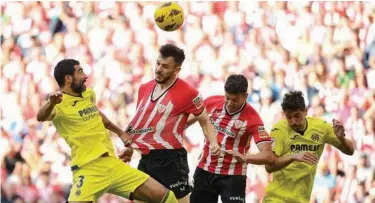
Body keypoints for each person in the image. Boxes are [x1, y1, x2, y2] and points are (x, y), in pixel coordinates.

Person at [36, 59, 178, 203]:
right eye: (80, 72)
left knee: (167, 198)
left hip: (112, 164)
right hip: (88, 169)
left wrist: (120, 133)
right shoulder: (58, 104)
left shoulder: (88, 94)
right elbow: (41, 116)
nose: (85, 76)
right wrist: (51, 102)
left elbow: (97, 115)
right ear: (68, 78)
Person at [120, 44, 221, 203]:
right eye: (158, 63)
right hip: (146, 159)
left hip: (171, 159)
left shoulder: (189, 93)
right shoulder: (144, 88)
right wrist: (129, 149)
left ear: (177, 70)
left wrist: (214, 142)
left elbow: (204, 120)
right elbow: (139, 122)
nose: (159, 69)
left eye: (165, 66)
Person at [186, 74, 275, 203]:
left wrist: (246, 158)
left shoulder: (253, 119)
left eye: (235, 100)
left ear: (245, 96)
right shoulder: (211, 103)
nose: (229, 103)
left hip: (233, 175)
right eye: (227, 98)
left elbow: (268, 156)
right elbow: (185, 123)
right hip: (205, 169)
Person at [263, 90, 355, 203]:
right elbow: (269, 167)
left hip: (302, 199)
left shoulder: (321, 127)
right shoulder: (278, 130)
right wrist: (293, 156)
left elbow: (350, 151)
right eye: (289, 117)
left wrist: (342, 139)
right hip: (277, 198)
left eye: (297, 116)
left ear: (305, 111)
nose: (293, 121)